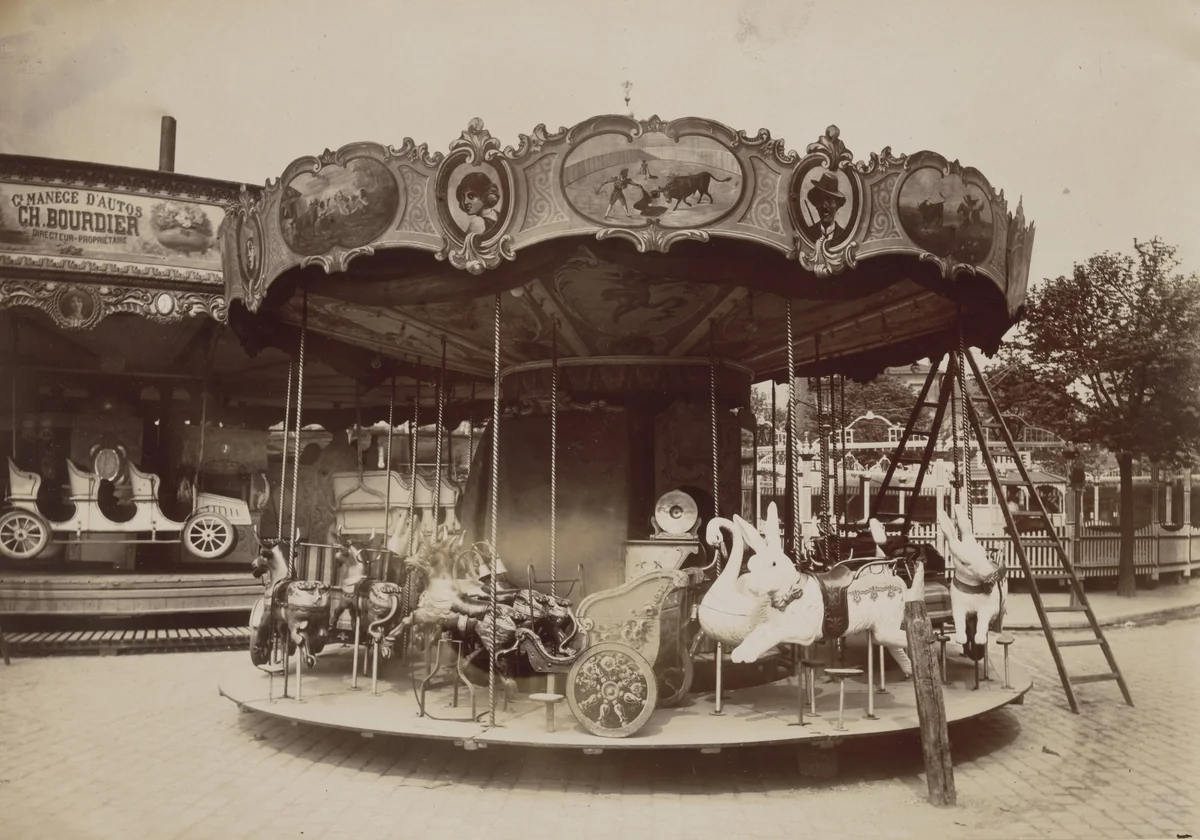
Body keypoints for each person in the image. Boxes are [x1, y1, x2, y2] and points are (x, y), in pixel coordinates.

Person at [802, 171, 848, 244]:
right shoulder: (806, 234)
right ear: (816, 205)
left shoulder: (846, 237)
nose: (824, 206)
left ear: (837, 206)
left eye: (830, 201)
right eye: (820, 200)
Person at [455, 171, 502, 236]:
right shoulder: (498, 215)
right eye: (463, 197)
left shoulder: (477, 222)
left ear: (484, 196)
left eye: (471, 196)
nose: (465, 202)